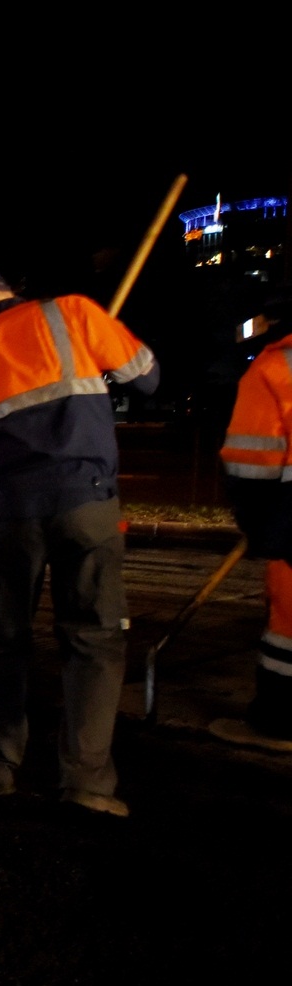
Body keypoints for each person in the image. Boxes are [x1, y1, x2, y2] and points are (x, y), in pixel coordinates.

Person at [0, 268, 159, 817]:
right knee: (93, 640)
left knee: (2, 639)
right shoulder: (74, 314)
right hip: (87, 499)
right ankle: (86, 783)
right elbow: (146, 376)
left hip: (11, 509)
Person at [208, 316, 291, 752]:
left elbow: (250, 466)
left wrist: (261, 529)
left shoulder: (276, 368)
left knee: (289, 633)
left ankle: (280, 722)